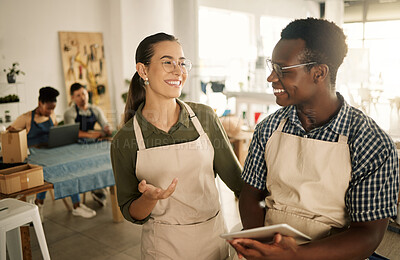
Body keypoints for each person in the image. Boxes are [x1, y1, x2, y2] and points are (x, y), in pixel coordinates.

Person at [231, 18, 399, 260]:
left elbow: (368, 234)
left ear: (319, 73)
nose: (271, 78)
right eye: (272, 66)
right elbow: (250, 196)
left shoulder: (370, 142)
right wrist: (261, 244)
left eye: (283, 70)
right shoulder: (268, 129)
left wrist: (295, 255)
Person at [110, 32, 244, 260]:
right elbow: (130, 211)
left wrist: (252, 236)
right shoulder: (125, 139)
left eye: (182, 63)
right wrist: (150, 198)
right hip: (163, 248)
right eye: (167, 62)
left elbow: (238, 183)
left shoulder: (204, 118)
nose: (178, 71)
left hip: (214, 241)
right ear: (143, 71)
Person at [7, 86, 96, 219]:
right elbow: (9, 135)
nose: (51, 112)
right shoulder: (25, 118)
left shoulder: (51, 116)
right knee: (46, 171)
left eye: (53, 108)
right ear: (39, 103)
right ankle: (39, 204)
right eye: (48, 108)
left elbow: (55, 134)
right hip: (34, 157)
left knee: (69, 167)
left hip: (50, 153)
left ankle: (76, 206)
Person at [64, 82, 111, 206]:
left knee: (106, 157)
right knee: (88, 162)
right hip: (76, 146)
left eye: (84, 94)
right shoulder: (70, 113)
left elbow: (105, 124)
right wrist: (92, 135)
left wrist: (107, 129)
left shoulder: (95, 109)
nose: (82, 97)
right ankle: (98, 189)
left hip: (92, 143)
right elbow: (71, 133)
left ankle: (101, 188)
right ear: (73, 98)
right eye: (78, 95)